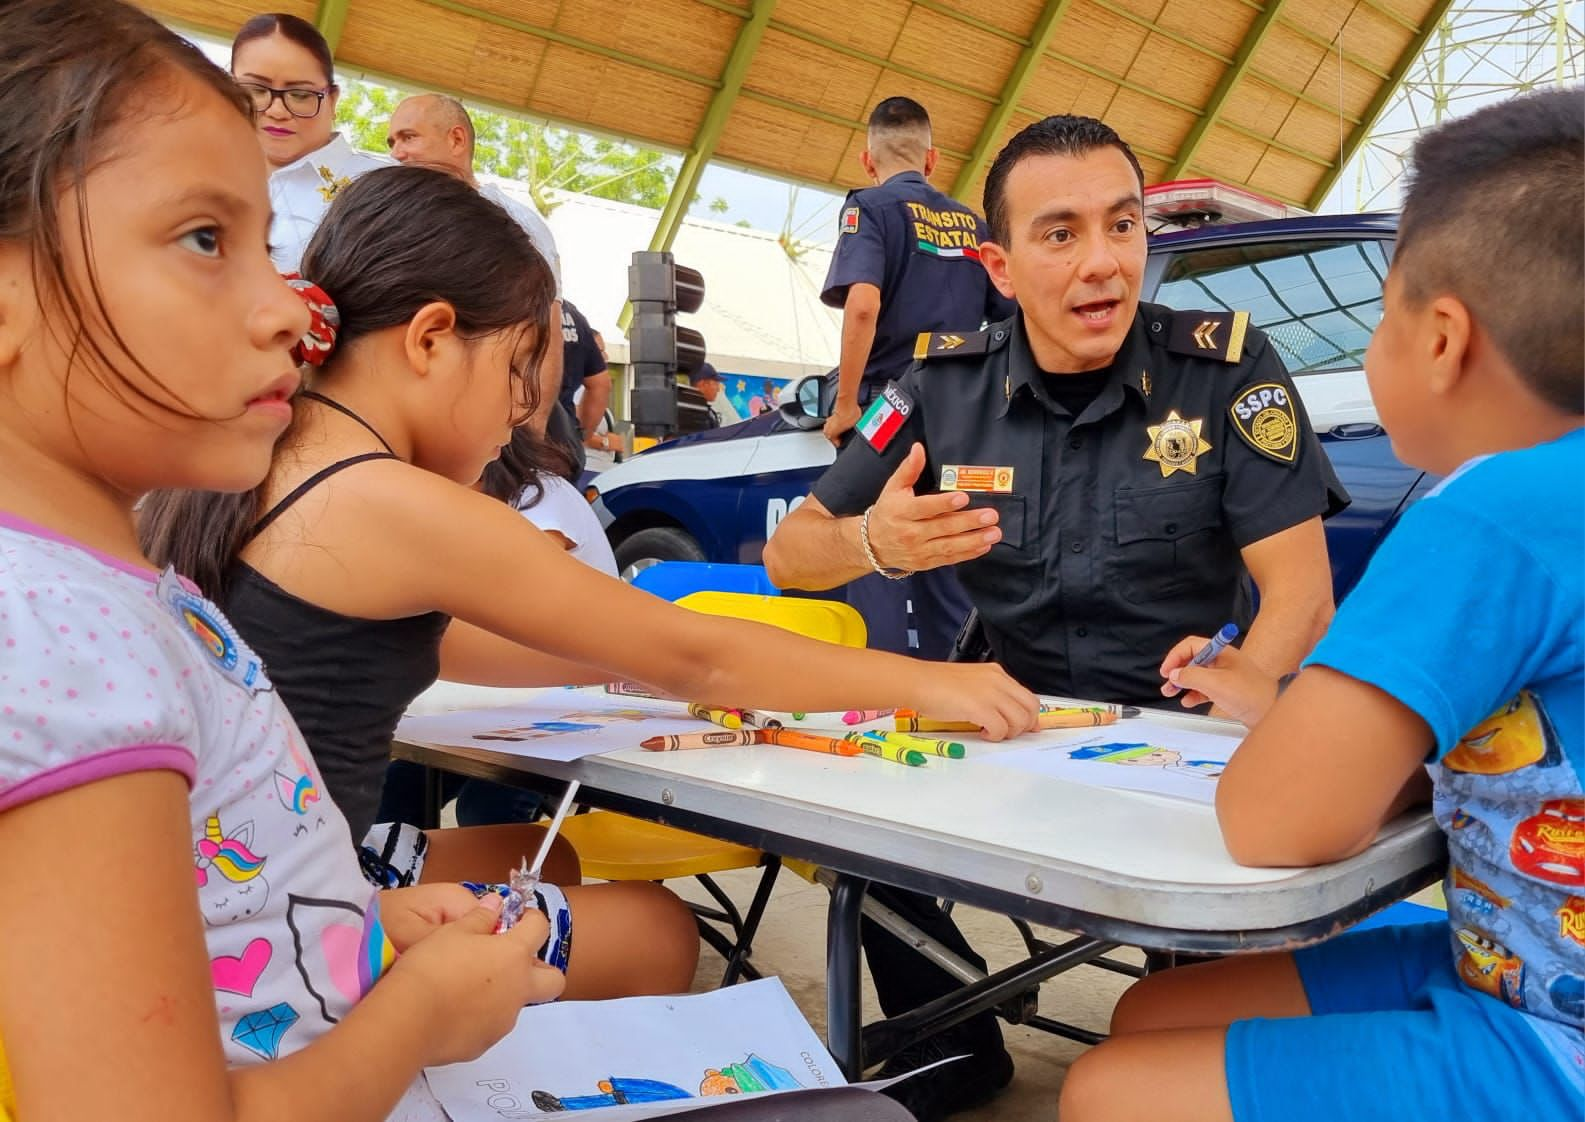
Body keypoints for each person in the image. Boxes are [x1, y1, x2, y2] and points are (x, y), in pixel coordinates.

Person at [135, 158, 1042, 943]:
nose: (518, 416)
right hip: (276, 928)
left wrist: (619, 660)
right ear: (430, 340)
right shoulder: (395, 502)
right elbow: (704, 655)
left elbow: (463, 648)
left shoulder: (250, 464)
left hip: (204, 887)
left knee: (536, 853)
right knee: (650, 927)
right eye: (517, 372)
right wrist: (932, 683)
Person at [0, 7, 562, 1119]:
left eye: (268, 245)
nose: (286, 312)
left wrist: (358, 927)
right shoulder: (67, 643)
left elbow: (206, 907)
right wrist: (417, 1015)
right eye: (206, 239)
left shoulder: (116, 600)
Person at [764, 115, 1346, 1121]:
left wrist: (1241, 693)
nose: (1101, 264)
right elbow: (792, 551)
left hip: (1178, 735)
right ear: (997, 263)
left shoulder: (1225, 371)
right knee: (849, 826)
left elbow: (1299, 597)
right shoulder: (939, 386)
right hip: (1011, 718)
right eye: (1060, 233)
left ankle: (1187, 1045)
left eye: (1122, 227)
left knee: (1195, 984)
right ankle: (950, 1042)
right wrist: (874, 545)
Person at [1060, 87, 1584, 1122]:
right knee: (1155, 1011)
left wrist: (1296, 733)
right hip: (1514, 954)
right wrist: (1298, 710)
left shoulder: (1486, 512)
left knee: (1106, 1088)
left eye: (1379, 319)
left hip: (1552, 1033)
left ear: (1440, 339)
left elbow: (1272, 822)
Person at [817, 96, 1015, 660]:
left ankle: (880, 705)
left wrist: (848, 404)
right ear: (932, 161)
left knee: (873, 551)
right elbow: (1011, 323)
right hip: (959, 410)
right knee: (946, 550)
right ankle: (954, 692)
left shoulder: (870, 208)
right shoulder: (972, 225)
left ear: (867, 159)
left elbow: (861, 306)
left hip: (889, 409)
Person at [385, 91, 572, 461]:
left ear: (456, 139)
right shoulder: (392, 219)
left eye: (409, 137)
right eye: (392, 142)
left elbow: (544, 333)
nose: (396, 153)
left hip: (487, 439)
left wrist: (527, 441)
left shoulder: (518, 223)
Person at [231, 12, 386, 272]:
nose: (277, 111)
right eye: (256, 90)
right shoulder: (199, 169)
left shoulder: (379, 187)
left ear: (333, 100)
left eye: (300, 95)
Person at [560, 298, 616, 458]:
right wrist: (581, 439)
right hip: (562, 451)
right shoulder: (573, 316)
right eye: (599, 351)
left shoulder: (510, 300)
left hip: (513, 444)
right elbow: (601, 385)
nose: (604, 356)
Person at [693, 362, 743, 427]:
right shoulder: (695, 414)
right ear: (702, 384)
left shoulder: (703, 411)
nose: (718, 389)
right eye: (716, 384)